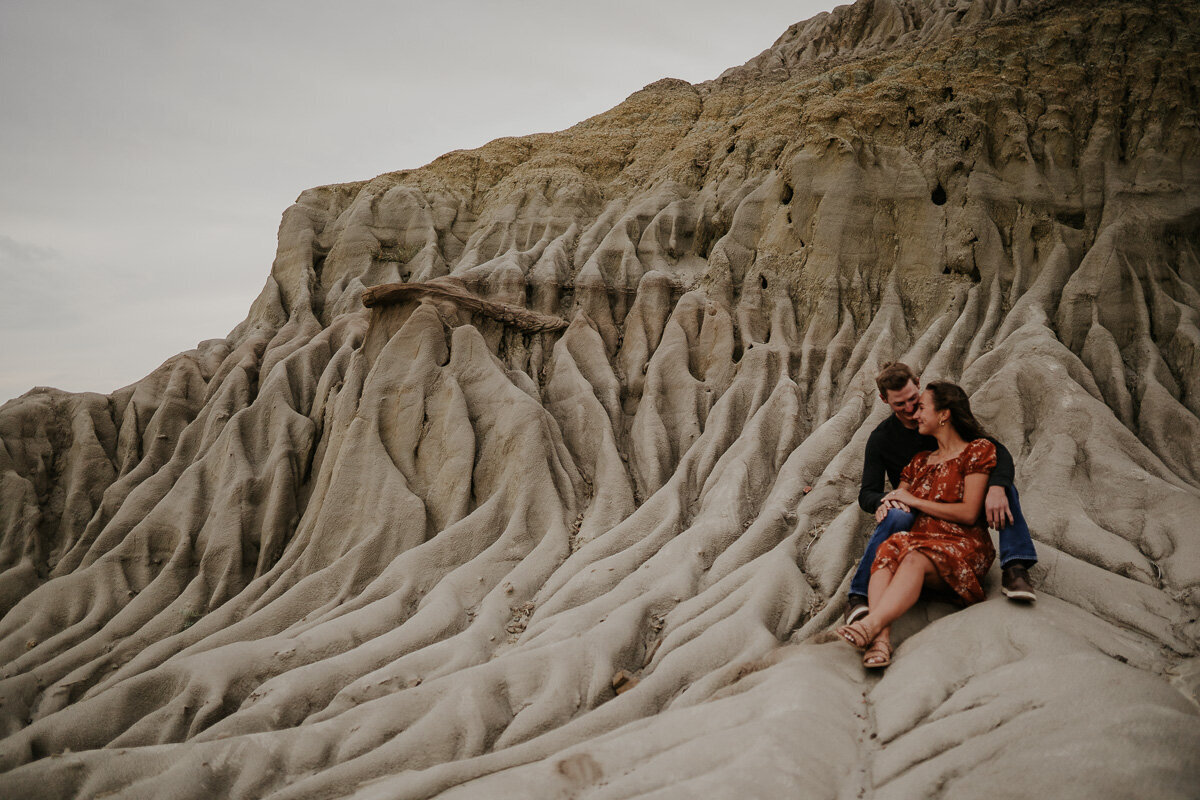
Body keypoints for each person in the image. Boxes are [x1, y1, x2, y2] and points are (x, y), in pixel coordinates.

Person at [845, 363, 1037, 629]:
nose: (911, 409)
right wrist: (886, 500)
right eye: (900, 404)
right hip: (917, 509)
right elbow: (867, 492)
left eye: (915, 399)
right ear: (884, 400)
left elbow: (996, 451)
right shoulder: (882, 439)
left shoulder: (940, 420)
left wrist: (998, 485)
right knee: (897, 513)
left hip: (959, 500)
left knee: (1004, 488)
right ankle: (859, 596)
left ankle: (1015, 566)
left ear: (918, 383)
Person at [836, 381, 1002, 667]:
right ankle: (880, 641)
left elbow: (969, 513)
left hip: (963, 546)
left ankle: (869, 625)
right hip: (922, 543)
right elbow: (900, 497)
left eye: (922, 407)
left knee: (913, 557)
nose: (915, 414)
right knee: (889, 548)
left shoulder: (976, 451)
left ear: (944, 414)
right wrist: (888, 503)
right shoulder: (919, 461)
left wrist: (916, 502)